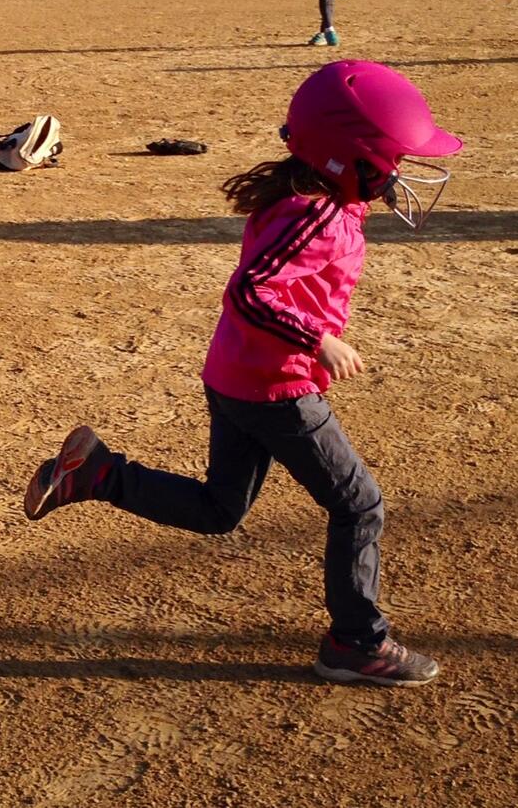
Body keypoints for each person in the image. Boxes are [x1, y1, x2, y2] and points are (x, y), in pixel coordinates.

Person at [23, 60, 462, 687]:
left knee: (219, 509)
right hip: (276, 387)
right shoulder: (317, 215)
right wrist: (320, 338)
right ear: (347, 158)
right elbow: (251, 292)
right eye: (390, 159)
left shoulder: (308, 199)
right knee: (359, 504)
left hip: (235, 375)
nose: (399, 172)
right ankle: (355, 642)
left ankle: (99, 473)